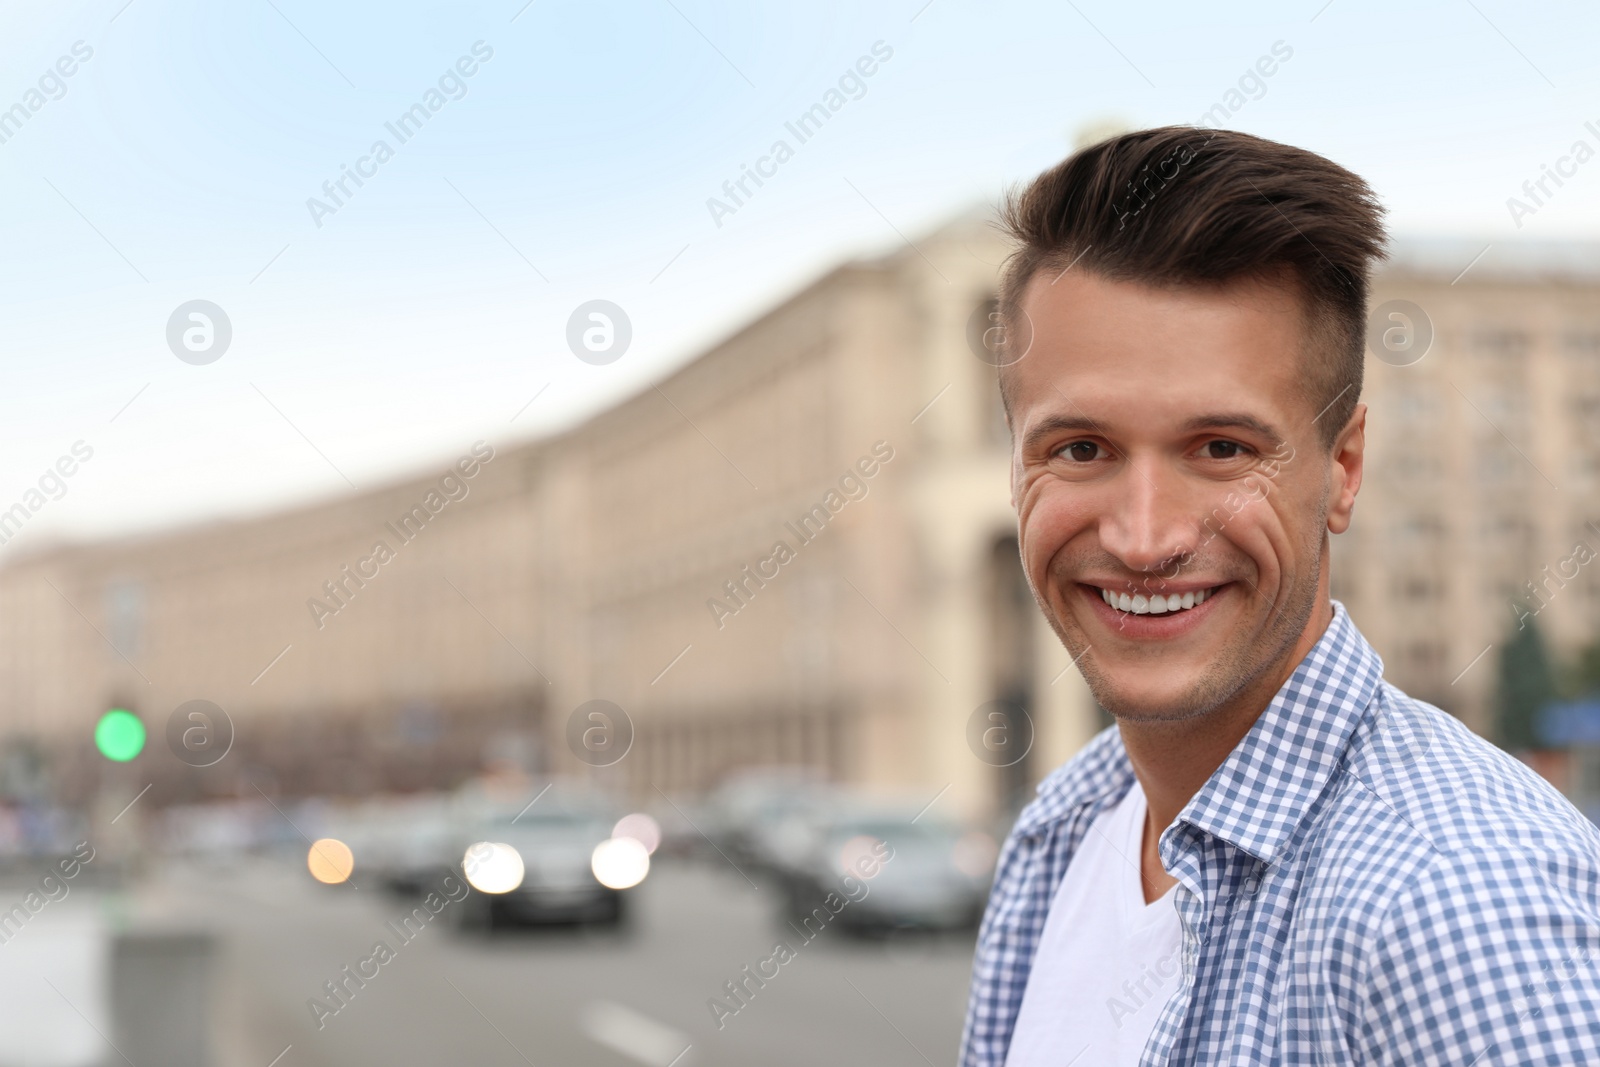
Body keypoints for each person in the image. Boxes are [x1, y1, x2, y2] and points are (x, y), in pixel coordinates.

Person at [960, 126, 1600, 1066]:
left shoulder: (1455, 903)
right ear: (1018, 467)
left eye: (1222, 448)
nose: (1145, 537)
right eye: (1081, 448)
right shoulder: (1063, 829)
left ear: (1343, 469)